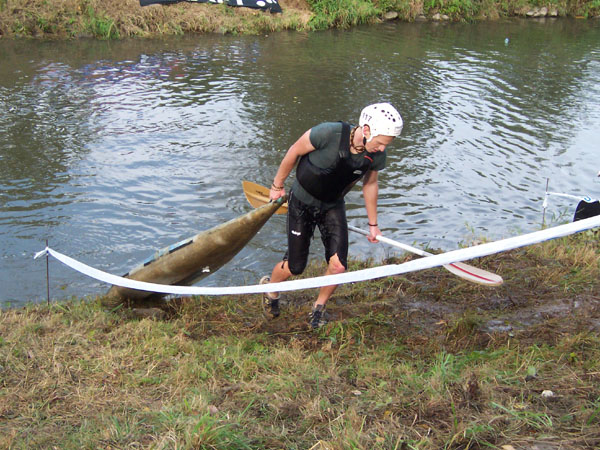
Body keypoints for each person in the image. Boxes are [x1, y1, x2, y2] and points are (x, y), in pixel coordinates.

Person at [260, 103, 403, 328]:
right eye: (381, 143)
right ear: (366, 131)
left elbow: (370, 184)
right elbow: (294, 151)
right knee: (296, 267)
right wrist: (277, 185)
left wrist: (373, 224)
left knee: (338, 266)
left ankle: (318, 308)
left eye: (387, 145)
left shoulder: (375, 155)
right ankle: (271, 291)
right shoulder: (328, 133)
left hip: (332, 205)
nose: (383, 149)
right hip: (302, 202)